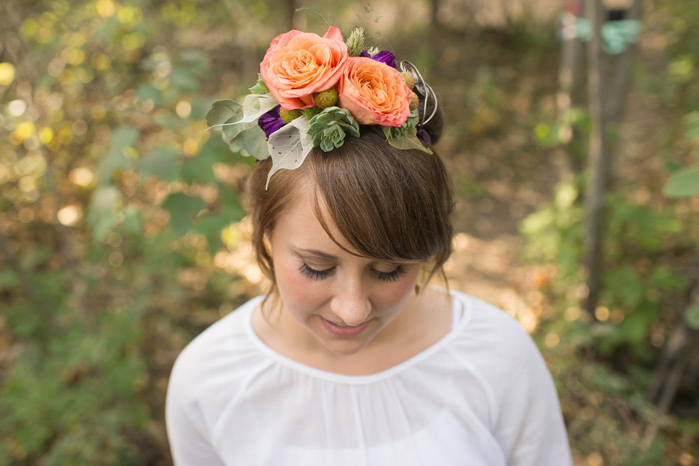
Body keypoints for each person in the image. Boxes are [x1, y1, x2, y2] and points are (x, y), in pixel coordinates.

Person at [166, 25, 573, 466]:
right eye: (317, 268)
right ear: (265, 232)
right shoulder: (208, 382)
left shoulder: (497, 359)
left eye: (389, 270)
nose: (352, 310)